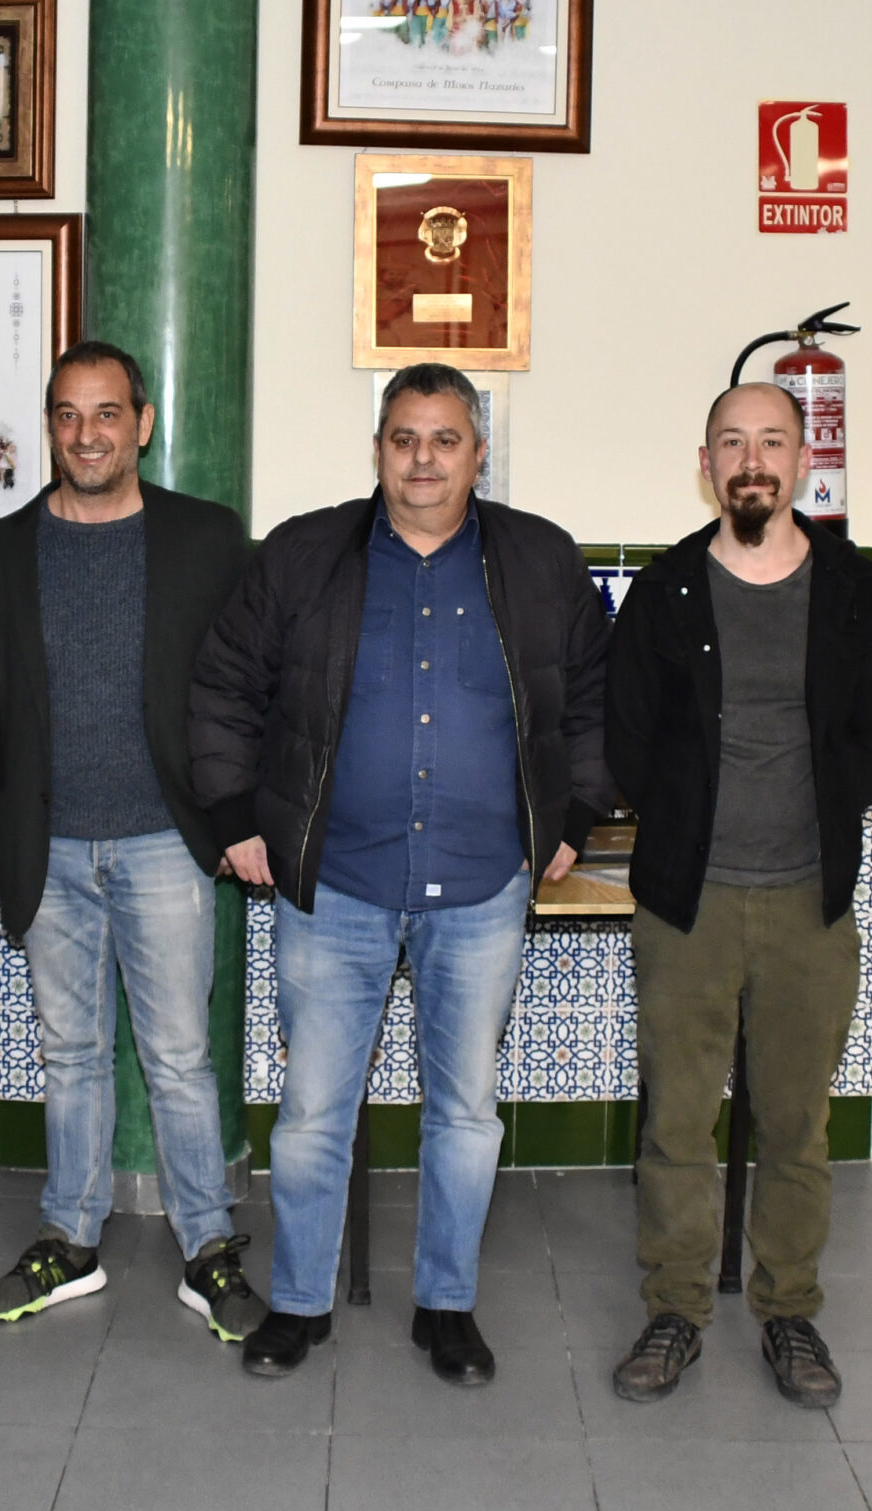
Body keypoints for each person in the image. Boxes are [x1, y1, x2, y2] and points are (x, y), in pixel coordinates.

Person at [190, 364, 612, 1382]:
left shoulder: (541, 560)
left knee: (464, 1112)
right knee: (311, 1113)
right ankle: (299, 1302)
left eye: (445, 439)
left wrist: (576, 816)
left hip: (481, 883)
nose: (423, 459)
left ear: (478, 453)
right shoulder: (302, 554)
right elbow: (224, 683)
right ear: (377, 449)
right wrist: (236, 815)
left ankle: (446, 1304)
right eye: (403, 438)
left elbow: (594, 699)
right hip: (336, 880)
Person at [0, 340, 268, 1344]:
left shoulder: (207, 539)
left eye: (107, 413)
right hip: (43, 849)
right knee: (70, 1053)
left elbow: (243, 691)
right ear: (49, 425)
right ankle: (69, 1238)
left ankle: (207, 1247)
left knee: (178, 1056)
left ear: (143, 423)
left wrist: (240, 816)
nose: (87, 435)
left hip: (166, 842)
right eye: (67, 415)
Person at [603, 382, 872, 1410]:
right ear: (706, 464)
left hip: (808, 906)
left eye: (772, 441)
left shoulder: (855, 591)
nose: (752, 460)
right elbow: (627, 739)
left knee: (795, 1126)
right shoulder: (666, 591)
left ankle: (789, 1312)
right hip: (685, 905)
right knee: (677, 1125)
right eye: (732, 442)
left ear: (801, 462)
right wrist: (687, 821)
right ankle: (674, 1311)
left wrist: (807, 821)